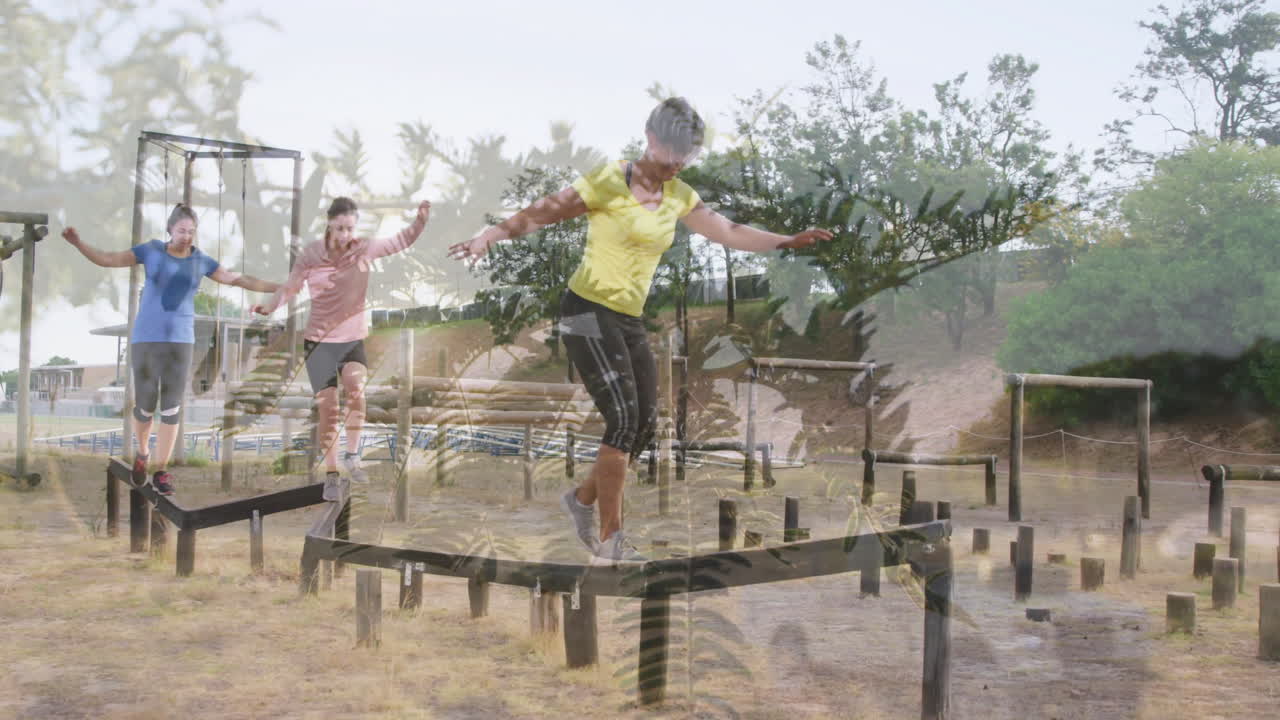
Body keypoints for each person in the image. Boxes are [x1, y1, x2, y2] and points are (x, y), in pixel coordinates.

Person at [450, 98, 833, 563]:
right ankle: (612, 540)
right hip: (585, 312)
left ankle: (582, 501)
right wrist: (490, 235)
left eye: (687, 156)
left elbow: (728, 230)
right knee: (624, 420)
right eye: (673, 153)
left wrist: (785, 241)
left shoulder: (679, 196)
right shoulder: (610, 181)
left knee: (646, 427)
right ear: (651, 140)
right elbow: (545, 210)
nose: (678, 165)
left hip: (626, 319)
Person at [63, 204, 280, 494]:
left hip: (181, 340)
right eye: (181, 231)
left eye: (191, 231)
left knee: (172, 407)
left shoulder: (200, 260)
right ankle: (143, 452)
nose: (186, 236)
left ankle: (162, 471)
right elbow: (108, 259)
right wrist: (79, 244)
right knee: (145, 406)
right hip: (146, 339)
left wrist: (280, 286)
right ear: (170, 229)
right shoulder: (151, 250)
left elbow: (237, 278)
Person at [253, 198, 431, 492]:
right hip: (319, 341)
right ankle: (333, 471)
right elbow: (291, 286)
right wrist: (270, 307)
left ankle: (352, 455)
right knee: (328, 407)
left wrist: (420, 221)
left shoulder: (364, 248)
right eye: (340, 228)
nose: (345, 234)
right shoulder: (311, 254)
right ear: (329, 224)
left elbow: (401, 241)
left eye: (350, 228)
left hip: (352, 339)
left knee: (356, 389)